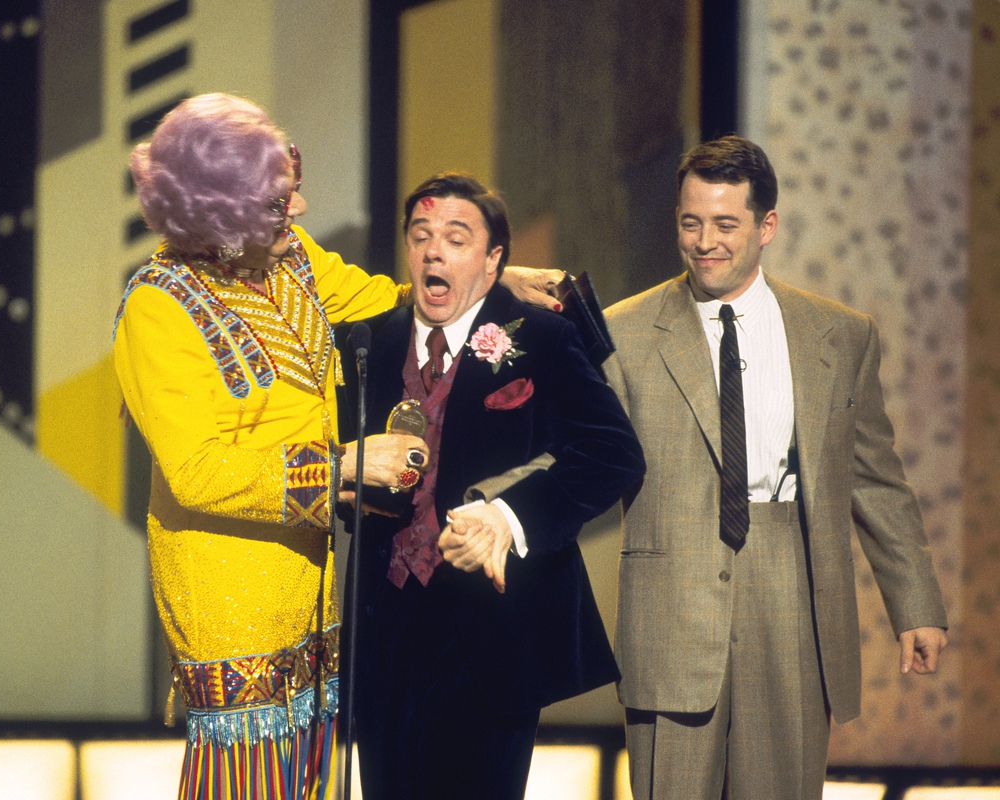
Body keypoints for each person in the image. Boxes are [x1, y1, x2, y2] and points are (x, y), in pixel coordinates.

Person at [112, 94, 563, 800]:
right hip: (228, 593)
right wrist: (349, 462)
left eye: (290, 191)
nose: (296, 210)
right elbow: (196, 470)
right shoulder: (157, 307)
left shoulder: (290, 263)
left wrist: (491, 279)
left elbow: (386, 300)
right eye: (275, 203)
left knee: (308, 778)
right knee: (248, 780)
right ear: (218, 216)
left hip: (311, 583)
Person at [602, 134, 948, 799]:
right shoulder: (625, 332)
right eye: (690, 222)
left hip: (794, 599)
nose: (705, 241)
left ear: (767, 226)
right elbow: (583, 460)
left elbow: (876, 479)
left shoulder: (840, 335)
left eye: (725, 224)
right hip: (673, 606)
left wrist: (917, 605)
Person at [336, 172, 645, 800]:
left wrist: (507, 517)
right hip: (387, 635)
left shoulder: (543, 339)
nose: (433, 252)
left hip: (496, 634)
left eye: (455, 237)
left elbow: (613, 454)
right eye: (420, 236)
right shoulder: (365, 345)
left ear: (493, 259)